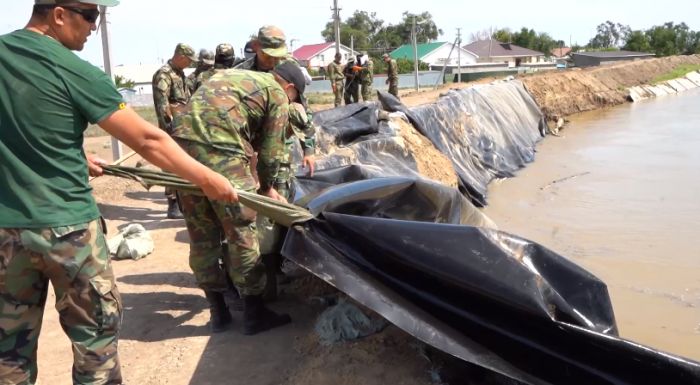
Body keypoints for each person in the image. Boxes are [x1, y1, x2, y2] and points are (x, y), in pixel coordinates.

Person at [0, 1, 237, 384]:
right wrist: (207, 179)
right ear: (58, 15)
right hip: (67, 231)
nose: (95, 26)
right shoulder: (73, 69)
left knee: (8, 352)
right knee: (95, 342)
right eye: (90, 15)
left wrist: (75, 155)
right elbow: (148, 140)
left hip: (5, 235)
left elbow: (25, 124)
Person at [171, 61, 309, 335]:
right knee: (241, 231)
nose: (292, 102)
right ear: (290, 88)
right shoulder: (277, 93)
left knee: (202, 233)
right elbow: (272, 152)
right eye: (296, 98)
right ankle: (254, 314)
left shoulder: (234, 76)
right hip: (221, 150)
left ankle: (218, 311)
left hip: (181, 151)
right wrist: (267, 188)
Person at [152, 43, 198, 219]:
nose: (190, 64)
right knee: (171, 165)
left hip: (183, 126)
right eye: (188, 60)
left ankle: (182, 201)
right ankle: (172, 204)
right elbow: (162, 103)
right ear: (180, 56)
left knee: (182, 164)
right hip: (171, 128)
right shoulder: (164, 74)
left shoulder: (180, 74)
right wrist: (169, 126)